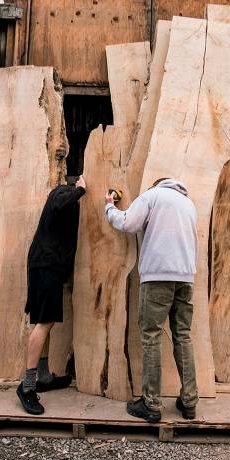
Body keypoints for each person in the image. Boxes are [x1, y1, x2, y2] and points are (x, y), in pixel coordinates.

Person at [104, 177, 198, 423]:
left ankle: (151, 403)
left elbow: (127, 222)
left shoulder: (152, 196)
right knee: (183, 335)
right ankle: (189, 401)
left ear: (155, 185)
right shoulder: (188, 203)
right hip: (186, 278)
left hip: (158, 277)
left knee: (151, 336)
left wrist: (109, 206)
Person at [16, 175, 86, 416]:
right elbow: (60, 203)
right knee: (44, 322)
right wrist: (80, 190)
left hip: (46, 265)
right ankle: (27, 387)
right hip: (46, 265)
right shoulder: (61, 194)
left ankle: (43, 377)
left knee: (44, 320)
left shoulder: (62, 206)